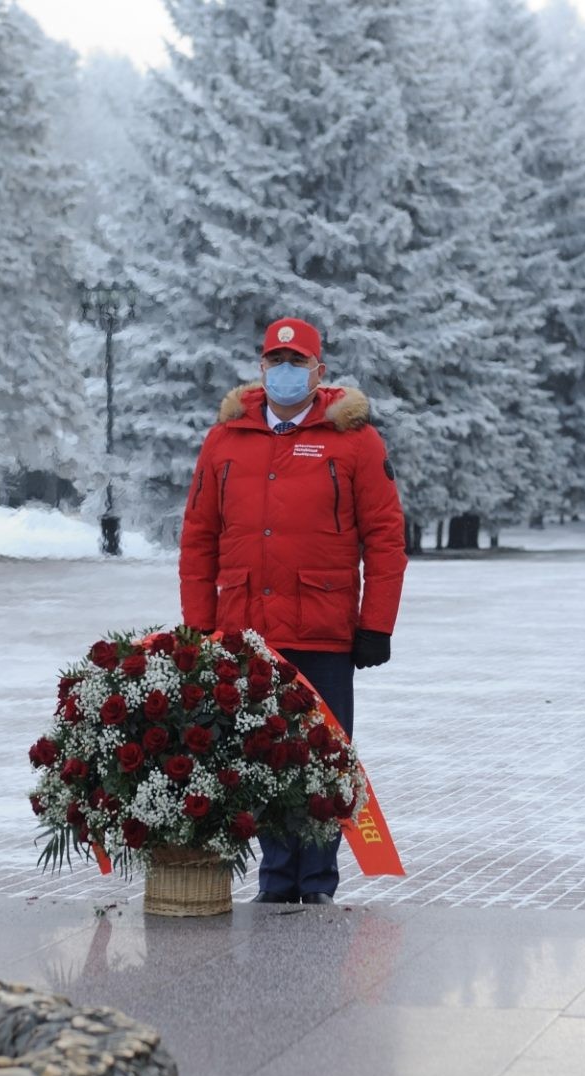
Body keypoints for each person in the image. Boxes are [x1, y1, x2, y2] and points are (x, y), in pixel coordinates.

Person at [178, 317, 408, 904]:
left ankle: (318, 886)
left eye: (297, 362)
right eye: (275, 362)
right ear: (261, 370)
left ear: (318, 372)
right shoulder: (225, 439)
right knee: (261, 758)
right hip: (246, 633)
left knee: (322, 760)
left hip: (325, 632)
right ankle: (277, 885)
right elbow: (199, 537)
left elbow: (384, 537)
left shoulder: (354, 440)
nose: (285, 373)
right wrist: (200, 625)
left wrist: (376, 624)